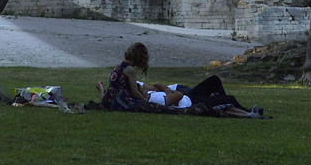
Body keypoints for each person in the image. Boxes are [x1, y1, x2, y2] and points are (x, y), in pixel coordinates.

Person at [101, 42, 263, 117]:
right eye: (142, 87)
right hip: (189, 100)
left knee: (215, 80)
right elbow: (136, 92)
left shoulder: (123, 71)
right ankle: (247, 112)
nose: (144, 86)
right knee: (228, 99)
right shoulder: (134, 79)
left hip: (185, 95)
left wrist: (161, 89)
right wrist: (152, 97)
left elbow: (119, 92)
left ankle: (242, 110)